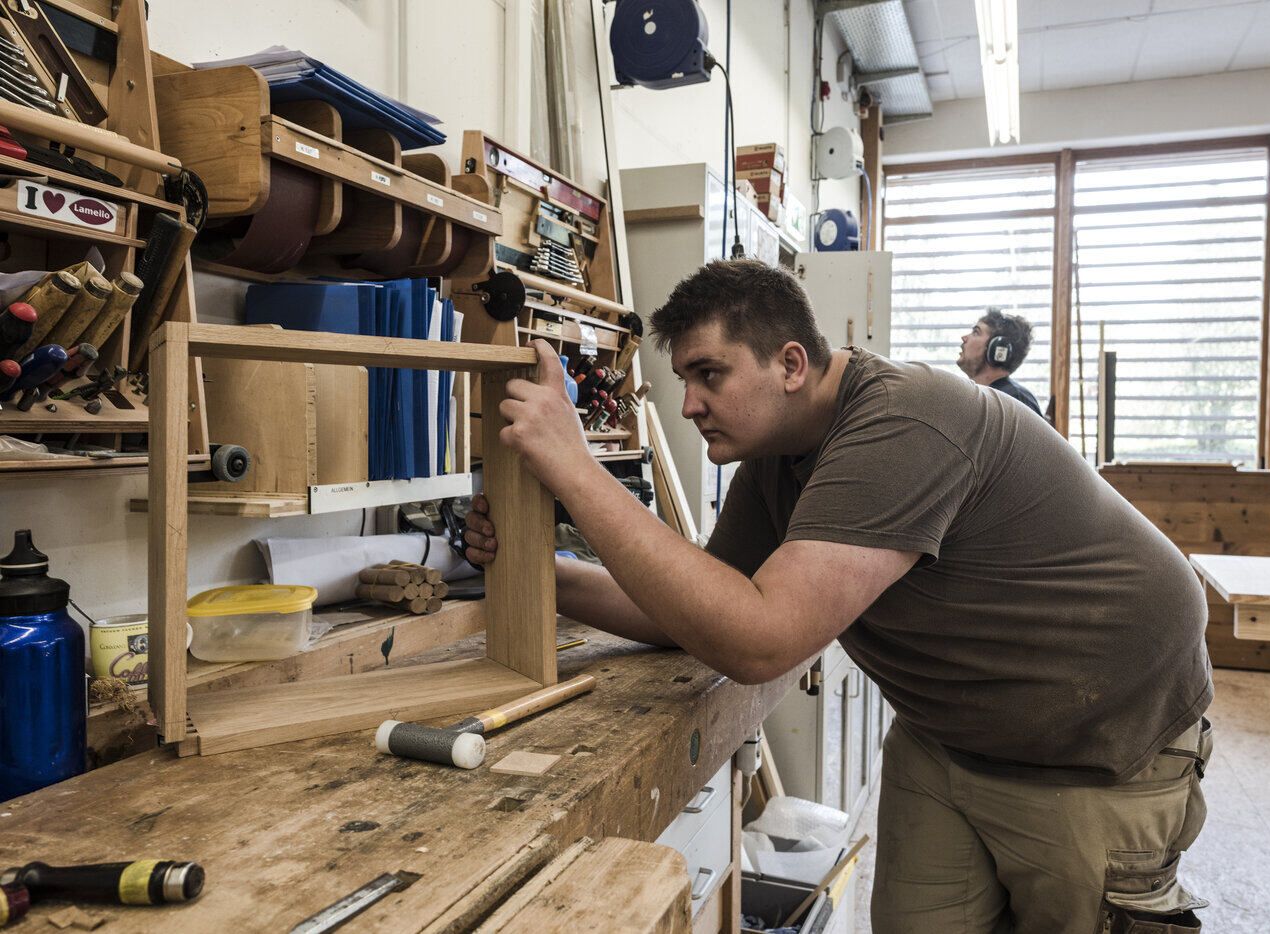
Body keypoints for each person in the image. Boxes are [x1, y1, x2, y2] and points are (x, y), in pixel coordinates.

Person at [466, 259, 1213, 934]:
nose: (687, 404)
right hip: (949, 733)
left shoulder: (904, 421)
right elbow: (695, 611)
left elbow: (759, 639)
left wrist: (576, 468)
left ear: (790, 364)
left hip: (1098, 743)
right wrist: (548, 574)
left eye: (708, 375)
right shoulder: (781, 458)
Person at [957, 308, 1042, 415]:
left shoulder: (1015, 400)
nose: (964, 338)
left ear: (998, 348)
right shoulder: (979, 398)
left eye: (976, 332)